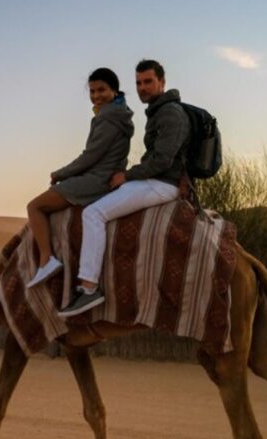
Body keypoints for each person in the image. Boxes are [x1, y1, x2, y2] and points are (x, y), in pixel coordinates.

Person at [59, 59, 188, 317]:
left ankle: (88, 288)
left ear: (162, 82)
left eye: (148, 82)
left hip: (162, 184)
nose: (142, 87)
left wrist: (126, 176)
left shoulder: (170, 113)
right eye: (139, 82)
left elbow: (162, 160)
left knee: (93, 213)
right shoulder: (158, 111)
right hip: (157, 180)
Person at [25, 67, 134, 288]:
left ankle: (46, 260)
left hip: (97, 179)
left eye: (101, 90)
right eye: (92, 92)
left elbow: (90, 157)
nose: (96, 96)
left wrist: (60, 173)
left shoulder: (107, 118)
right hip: (105, 174)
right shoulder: (121, 113)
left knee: (34, 206)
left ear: (114, 89)